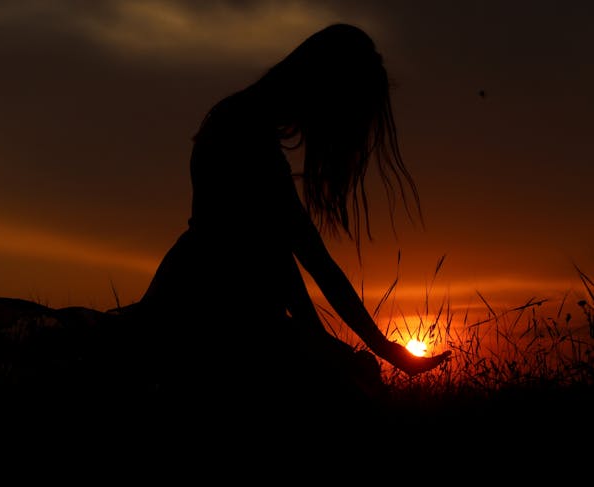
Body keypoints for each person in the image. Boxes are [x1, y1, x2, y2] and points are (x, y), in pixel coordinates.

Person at [127, 23, 450, 407]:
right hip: (215, 314)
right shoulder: (246, 135)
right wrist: (349, 351)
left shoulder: (238, 121)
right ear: (327, 87)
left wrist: (361, 349)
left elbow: (286, 257)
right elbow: (302, 261)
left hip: (222, 305)